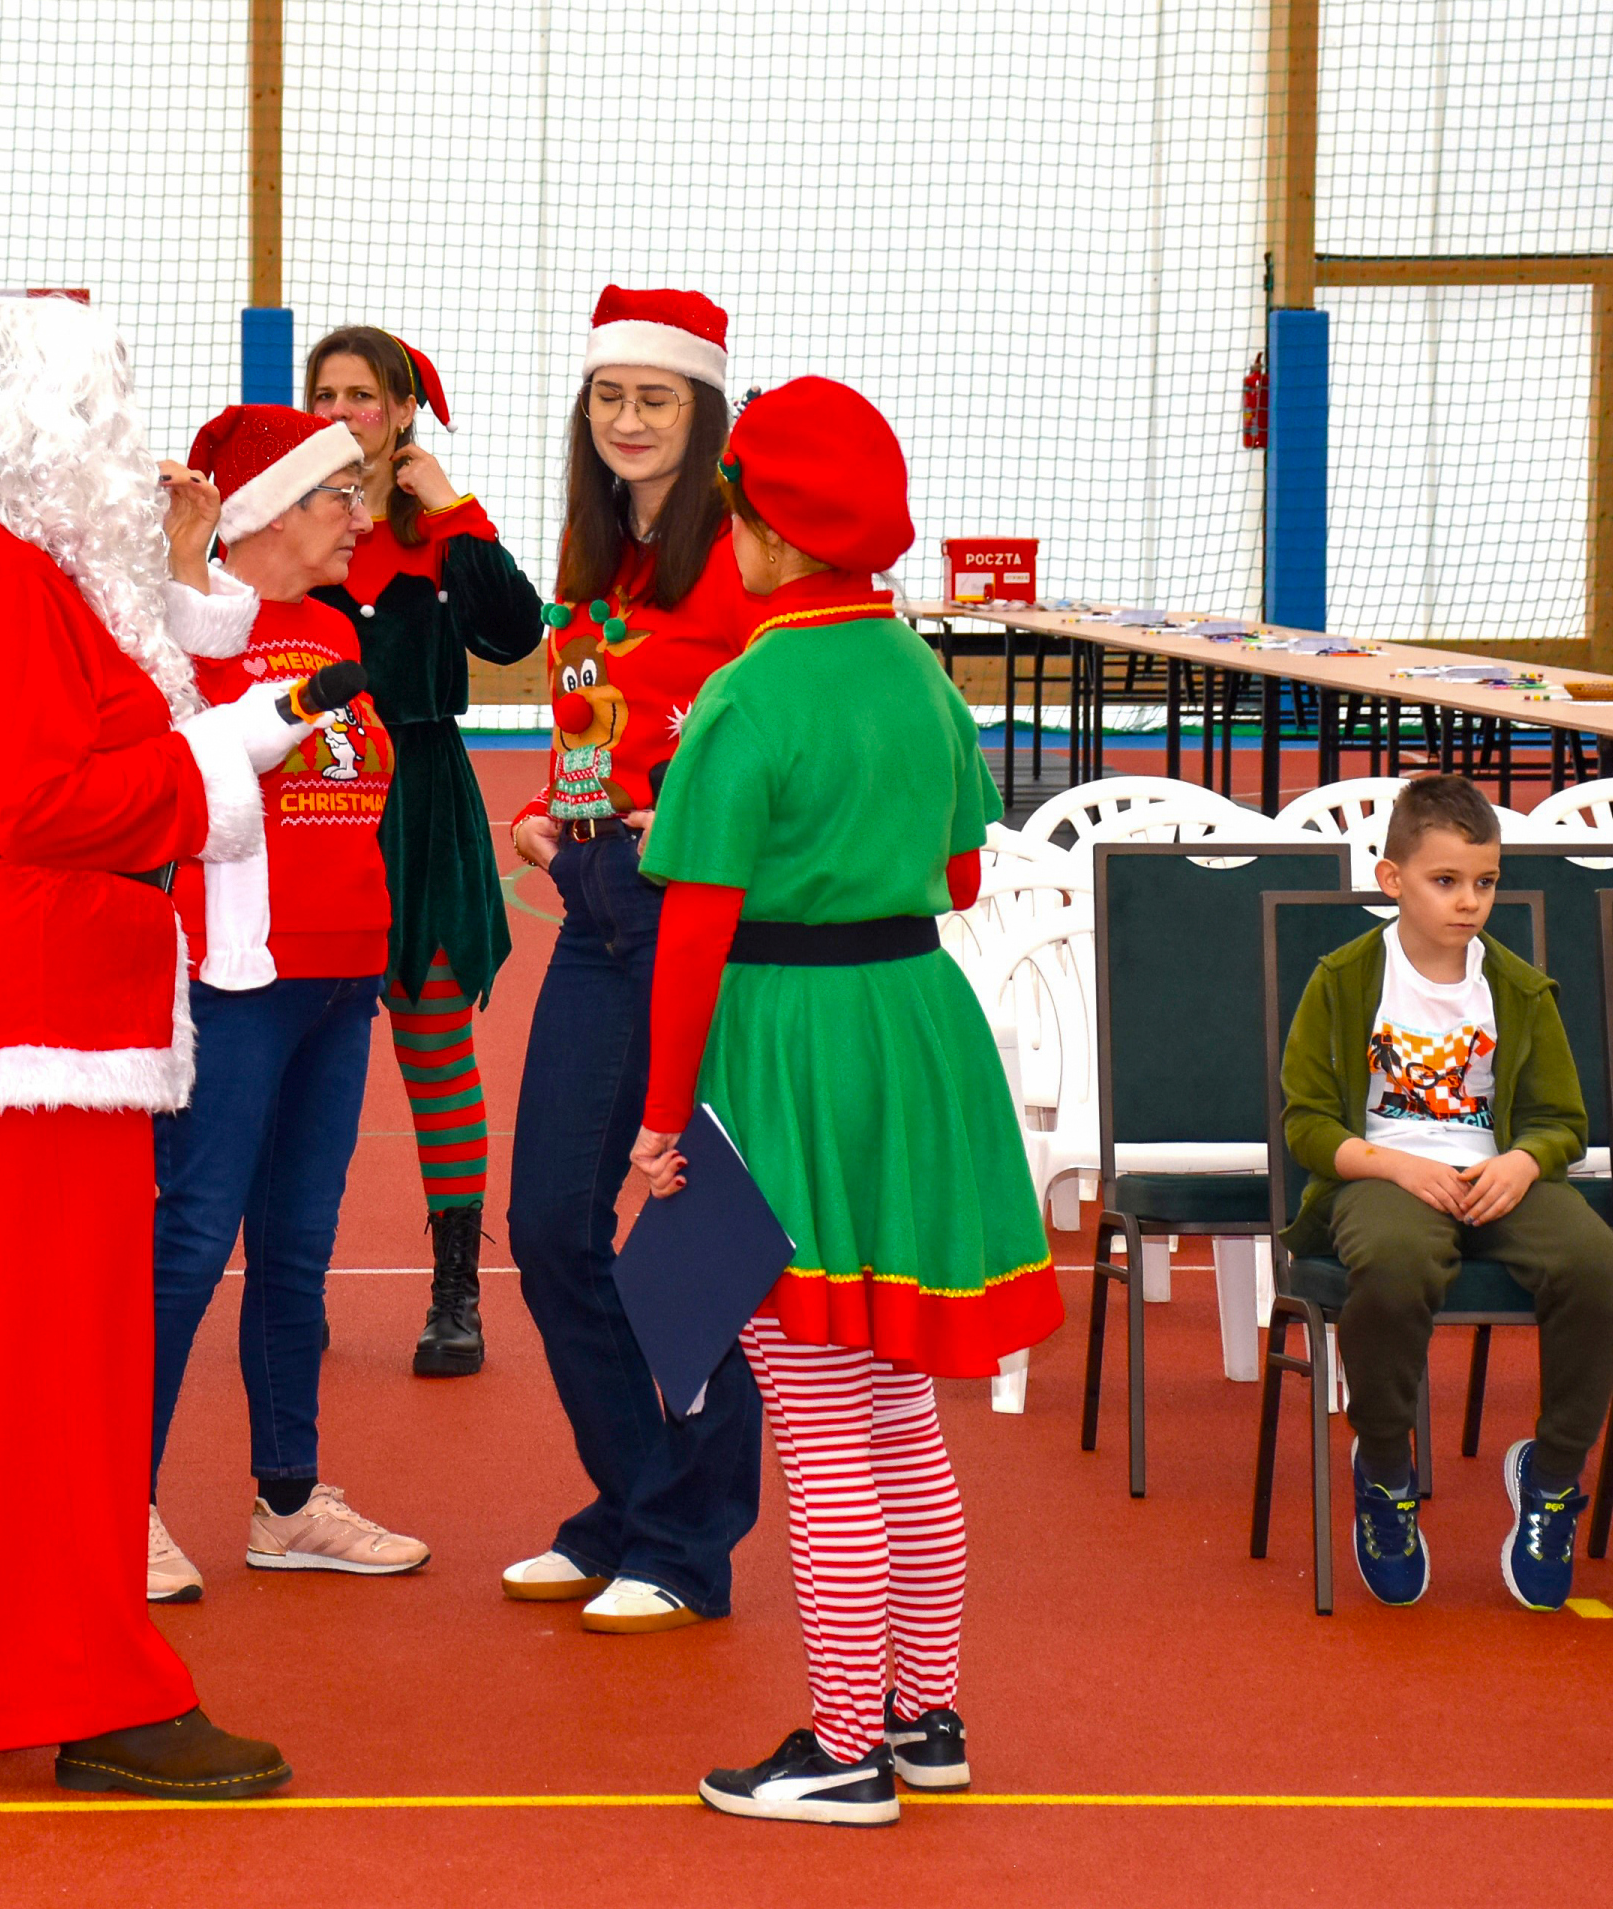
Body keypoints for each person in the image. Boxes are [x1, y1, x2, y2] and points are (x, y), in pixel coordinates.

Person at [0, 295, 308, 1798]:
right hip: (24, 995)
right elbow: (42, 799)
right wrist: (216, 772)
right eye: (104, 401)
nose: (122, 430)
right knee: (56, 1361)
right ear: (39, 415)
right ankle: (89, 1692)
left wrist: (200, 727)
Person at [629, 377, 1058, 1824]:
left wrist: (659, 1125)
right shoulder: (918, 673)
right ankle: (923, 1714)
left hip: (787, 1048)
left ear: (760, 531)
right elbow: (956, 870)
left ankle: (839, 1747)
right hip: (912, 1031)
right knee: (897, 1411)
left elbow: (693, 930)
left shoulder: (748, 691)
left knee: (813, 1419)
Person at [498, 288, 765, 1636]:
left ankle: (685, 1544)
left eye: (655, 398)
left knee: (688, 1235)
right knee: (547, 1224)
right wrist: (555, 806)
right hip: (595, 901)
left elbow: (762, 725)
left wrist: (687, 817)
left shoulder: (739, 554)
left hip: (690, 912)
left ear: (701, 411)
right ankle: (630, 1502)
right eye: (609, 396)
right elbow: (591, 709)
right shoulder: (589, 546)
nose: (628, 419)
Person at [145, 403, 431, 1605]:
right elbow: (183, 762)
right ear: (264, 512)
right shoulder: (185, 624)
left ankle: (287, 1499)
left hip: (340, 976)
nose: (361, 517)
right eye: (338, 495)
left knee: (298, 1249)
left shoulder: (331, 624)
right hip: (235, 982)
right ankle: (112, 1501)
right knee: (189, 1238)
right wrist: (183, 573)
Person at [1280, 771, 1611, 1612]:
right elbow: (1305, 1123)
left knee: (1595, 1261)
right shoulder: (1344, 978)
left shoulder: (1518, 989)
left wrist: (1523, 1161)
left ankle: (1552, 1475)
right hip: (1382, 1175)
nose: (1469, 901)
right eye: (1445, 880)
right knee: (1394, 1263)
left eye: (1485, 881)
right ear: (1392, 879)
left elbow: (1561, 1120)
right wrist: (1392, 1165)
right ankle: (1385, 1468)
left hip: (1495, 1177)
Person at [301, 331, 542, 1375]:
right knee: (300, 1060)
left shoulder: (442, 531)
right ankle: (292, 1283)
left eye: (362, 395)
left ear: (402, 411)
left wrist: (451, 506)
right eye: (324, 394)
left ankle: (455, 1295)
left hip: (423, 804)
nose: (339, 412)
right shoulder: (276, 519)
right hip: (308, 803)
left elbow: (513, 634)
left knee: (435, 1044)